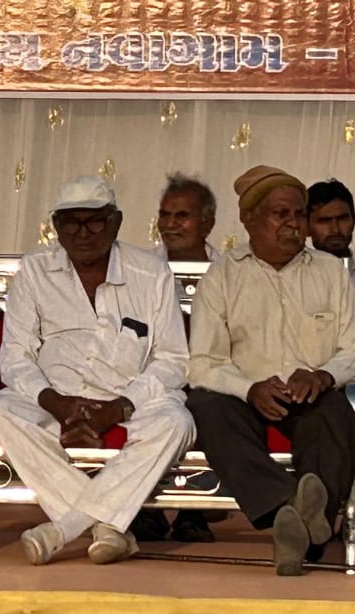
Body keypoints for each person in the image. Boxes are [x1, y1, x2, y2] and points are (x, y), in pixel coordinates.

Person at [0, 176, 193, 565]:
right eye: (71, 223)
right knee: (1, 412)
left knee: (176, 422)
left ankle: (63, 529)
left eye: (94, 221)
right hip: (55, 402)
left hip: (128, 402)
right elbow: (14, 356)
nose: (83, 233)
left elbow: (173, 360)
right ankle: (109, 528)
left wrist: (119, 407)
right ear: (56, 226)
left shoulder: (151, 273)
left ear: (116, 222)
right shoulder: (34, 271)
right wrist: (56, 403)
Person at [187, 165, 355, 576]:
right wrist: (249, 388)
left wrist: (323, 375)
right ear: (248, 219)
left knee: (335, 413)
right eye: (280, 214)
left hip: (310, 393)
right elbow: (202, 364)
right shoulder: (222, 276)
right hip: (246, 397)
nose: (293, 224)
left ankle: (296, 528)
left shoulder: (329, 271)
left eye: (299, 214)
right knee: (207, 407)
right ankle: (294, 511)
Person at [133, 173, 218, 544]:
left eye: (182, 216)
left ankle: (193, 512)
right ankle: (143, 510)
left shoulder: (227, 271)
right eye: (165, 215)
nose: (170, 224)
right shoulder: (139, 269)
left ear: (208, 224)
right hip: (151, 371)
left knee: (210, 402)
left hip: (207, 373)